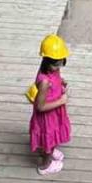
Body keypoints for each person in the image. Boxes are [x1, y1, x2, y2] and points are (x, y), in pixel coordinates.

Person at [30, 34, 72, 175]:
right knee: (48, 138)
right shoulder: (44, 82)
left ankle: (50, 149)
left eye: (61, 63)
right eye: (56, 64)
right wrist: (61, 101)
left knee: (51, 138)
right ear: (47, 60)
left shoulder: (50, 68)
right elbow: (40, 107)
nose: (58, 66)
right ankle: (45, 165)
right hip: (47, 117)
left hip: (54, 114)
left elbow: (54, 76)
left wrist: (60, 81)